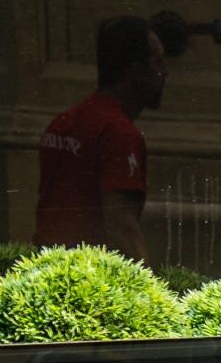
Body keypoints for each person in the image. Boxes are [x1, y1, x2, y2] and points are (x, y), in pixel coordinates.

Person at [36, 15, 167, 258]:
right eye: (158, 62)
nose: (165, 72)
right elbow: (121, 225)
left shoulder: (61, 123)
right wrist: (151, 291)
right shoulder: (119, 133)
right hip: (92, 277)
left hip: (48, 267)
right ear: (136, 71)